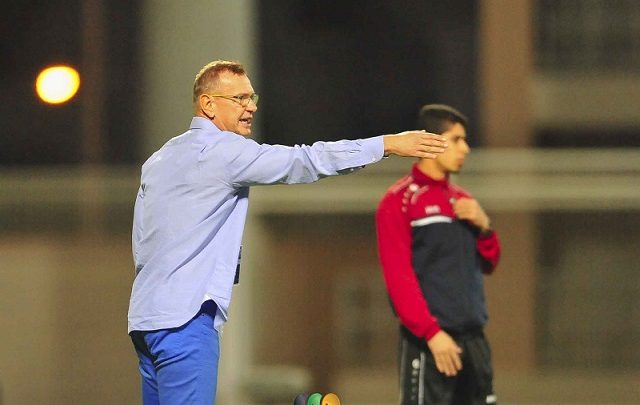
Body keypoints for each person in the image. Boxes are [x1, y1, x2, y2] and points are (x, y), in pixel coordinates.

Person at [127, 60, 448, 405]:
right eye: (239, 98)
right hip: (186, 321)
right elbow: (305, 161)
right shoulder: (224, 152)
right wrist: (385, 144)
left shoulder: (159, 159)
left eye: (252, 97)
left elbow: (141, 243)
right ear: (208, 104)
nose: (251, 106)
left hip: (146, 320)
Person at [376, 104, 501, 405]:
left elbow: (489, 262)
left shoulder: (464, 200)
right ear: (431, 141)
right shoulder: (400, 201)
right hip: (430, 342)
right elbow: (398, 278)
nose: (465, 148)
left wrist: (485, 226)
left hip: (474, 341)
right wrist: (432, 334)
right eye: (456, 139)